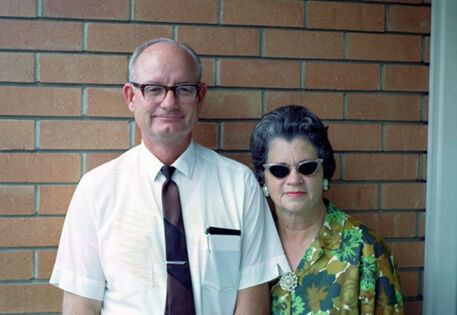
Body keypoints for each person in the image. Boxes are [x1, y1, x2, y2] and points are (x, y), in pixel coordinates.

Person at [50, 38, 289, 315]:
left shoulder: (240, 184)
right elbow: (81, 304)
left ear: (199, 96)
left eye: (183, 89)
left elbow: (252, 298)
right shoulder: (96, 189)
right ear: (131, 97)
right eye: (153, 89)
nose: (169, 102)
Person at [249, 105, 404, 314]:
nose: (294, 179)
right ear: (263, 178)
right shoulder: (253, 245)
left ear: (325, 172)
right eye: (279, 170)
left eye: (307, 167)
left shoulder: (366, 250)